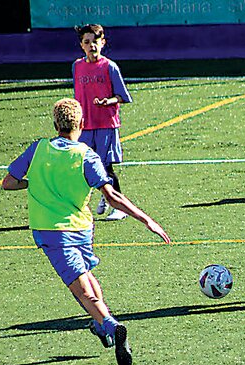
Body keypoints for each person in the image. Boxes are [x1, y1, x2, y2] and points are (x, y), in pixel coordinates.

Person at [1, 98, 171, 365]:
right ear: (82, 123)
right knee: (88, 280)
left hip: (52, 233)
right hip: (82, 229)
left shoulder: (38, 149)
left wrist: (37, 183)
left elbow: (9, 182)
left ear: (55, 124)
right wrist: (147, 219)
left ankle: (111, 326)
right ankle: (100, 326)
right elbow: (112, 196)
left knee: (82, 292)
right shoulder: (86, 155)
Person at [73, 23, 133, 221]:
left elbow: (122, 96)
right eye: (87, 42)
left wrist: (109, 101)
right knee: (84, 168)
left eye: (95, 41)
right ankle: (99, 199)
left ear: (103, 42)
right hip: (85, 127)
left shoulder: (109, 67)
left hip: (106, 124)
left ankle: (120, 206)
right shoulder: (77, 67)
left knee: (105, 167)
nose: (92, 46)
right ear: (82, 45)